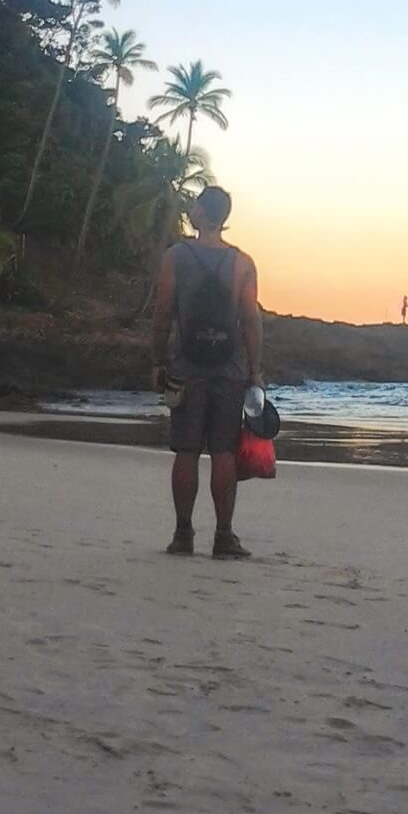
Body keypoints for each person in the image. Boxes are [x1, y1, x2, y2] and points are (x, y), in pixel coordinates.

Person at [151, 185, 263, 559]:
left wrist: (158, 361)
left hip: (186, 367)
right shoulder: (243, 263)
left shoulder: (176, 256)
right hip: (229, 370)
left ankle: (183, 535)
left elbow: (163, 312)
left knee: (186, 451)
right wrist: (256, 370)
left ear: (201, 212)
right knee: (223, 452)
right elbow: (250, 319)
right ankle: (224, 536)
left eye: (195, 206)